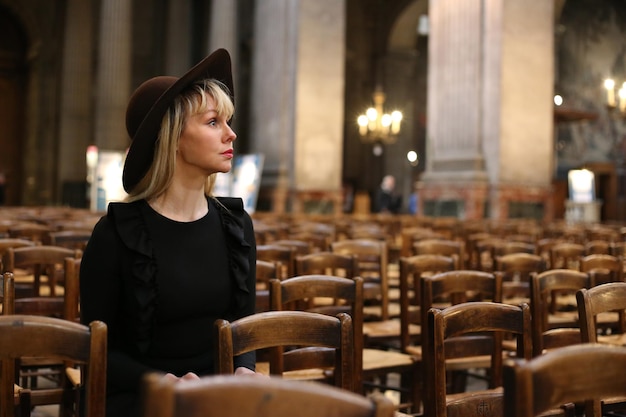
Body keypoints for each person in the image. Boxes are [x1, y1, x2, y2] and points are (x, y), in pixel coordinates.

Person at [80, 49, 263, 417]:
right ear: (173, 137)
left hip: (215, 398)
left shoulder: (235, 225)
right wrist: (166, 384)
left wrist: (245, 369)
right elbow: (97, 350)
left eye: (228, 121)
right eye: (213, 122)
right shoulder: (117, 233)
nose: (231, 133)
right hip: (140, 398)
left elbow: (241, 327)